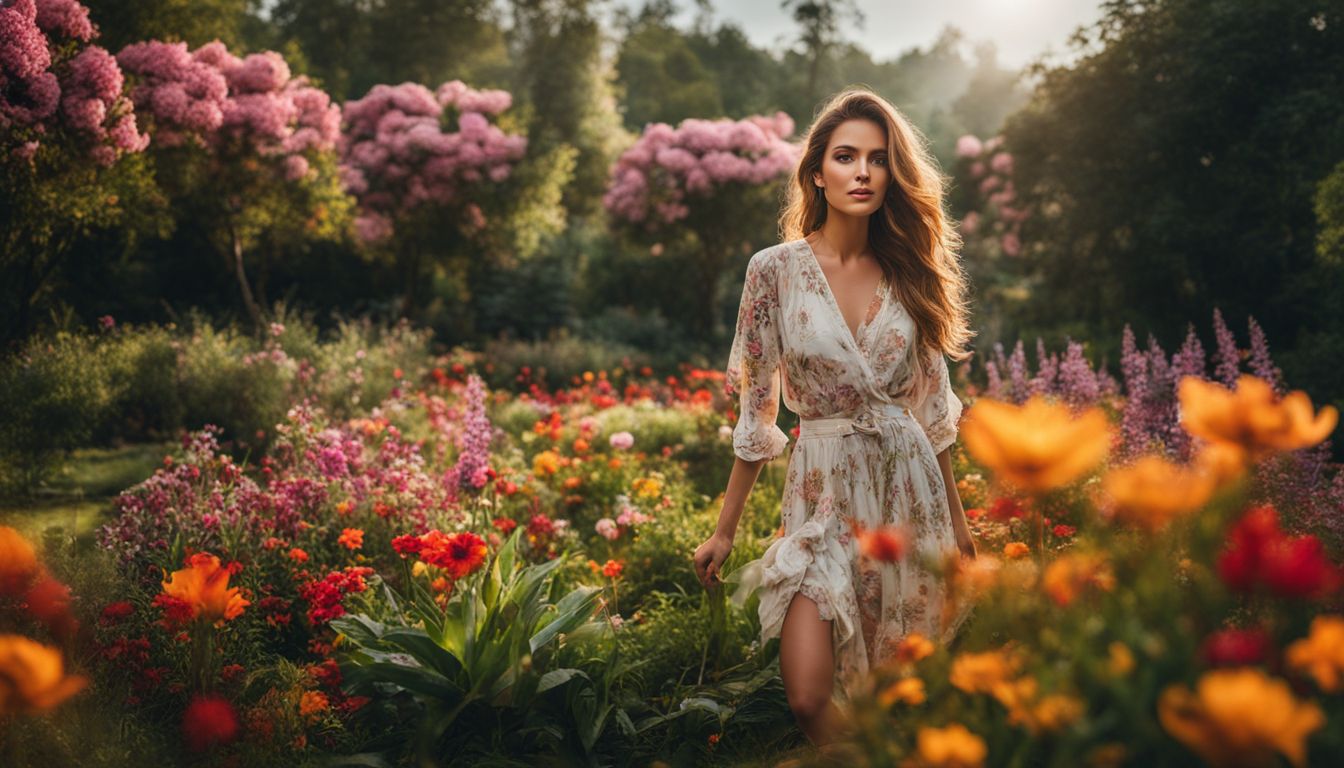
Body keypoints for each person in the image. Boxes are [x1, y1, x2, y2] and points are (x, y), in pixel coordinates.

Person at [692, 87, 979, 750]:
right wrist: (726, 532)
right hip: (820, 501)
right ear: (816, 172)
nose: (862, 172)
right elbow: (757, 409)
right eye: (845, 156)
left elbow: (933, 413)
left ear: (892, 174)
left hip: (907, 497)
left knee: (893, 695)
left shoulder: (913, 272)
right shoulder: (774, 272)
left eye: (878, 160)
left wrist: (960, 531)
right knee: (809, 695)